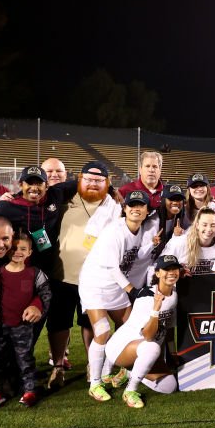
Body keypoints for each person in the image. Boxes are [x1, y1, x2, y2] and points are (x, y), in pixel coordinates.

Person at [80, 191, 160, 402]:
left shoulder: (140, 230)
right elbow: (112, 267)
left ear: (146, 211)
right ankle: (95, 383)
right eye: (131, 205)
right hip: (95, 285)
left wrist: (152, 243)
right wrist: (132, 290)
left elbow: (136, 256)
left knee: (131, 328)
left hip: (115, 286)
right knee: (102, 330)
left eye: (140, 205)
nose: (135, 208)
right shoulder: (114, 231)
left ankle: (108, 372)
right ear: (124, 209)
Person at [46, 161, 120, 383]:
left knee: (90, 322)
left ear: (107, 183)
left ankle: (92, 364)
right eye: (88, 179)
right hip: (63, 273)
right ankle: (58, 366)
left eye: (99, 180)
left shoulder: (114, 206)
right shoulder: (64, 200)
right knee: (59, 322)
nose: (93, 184)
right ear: (79, 179)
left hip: (96, 277)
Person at [0, 231, 52, 409]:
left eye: (23, 249)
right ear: (7, 250)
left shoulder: (35, 274)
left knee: (25, 359)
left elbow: (44, 295)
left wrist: (36, 306)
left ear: (30, 252)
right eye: (14, 248)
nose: (18, 252)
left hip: (23, 326)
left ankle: (30, 391)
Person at [0, 166, 77, 278]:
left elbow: (83, 181)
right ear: (21, 184)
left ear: (46, 186)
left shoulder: (55, 194)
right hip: (20, 269)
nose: (34, 188)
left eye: (39, 183)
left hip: (50, 269)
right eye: (29, 183)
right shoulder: (7, 206)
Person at [102, 255, 186, 408]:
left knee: (169, 387)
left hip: (144, 350)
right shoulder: (146, 297)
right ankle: (130, 390)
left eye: (174, 268)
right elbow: (148, 336)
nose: (172, 272)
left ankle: (130, 372)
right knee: (152, 347)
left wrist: (172, 354)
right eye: (166, 269)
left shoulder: (174, 295)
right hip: (121, 347)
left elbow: (167, 329)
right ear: (158, 273)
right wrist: (155, 310)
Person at [164, 207, 215, 274]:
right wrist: (179, 271)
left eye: (213, 225)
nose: (209, 229)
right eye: (204, 225)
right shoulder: (179, 243)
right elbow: (161, 266)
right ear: (197, 225)